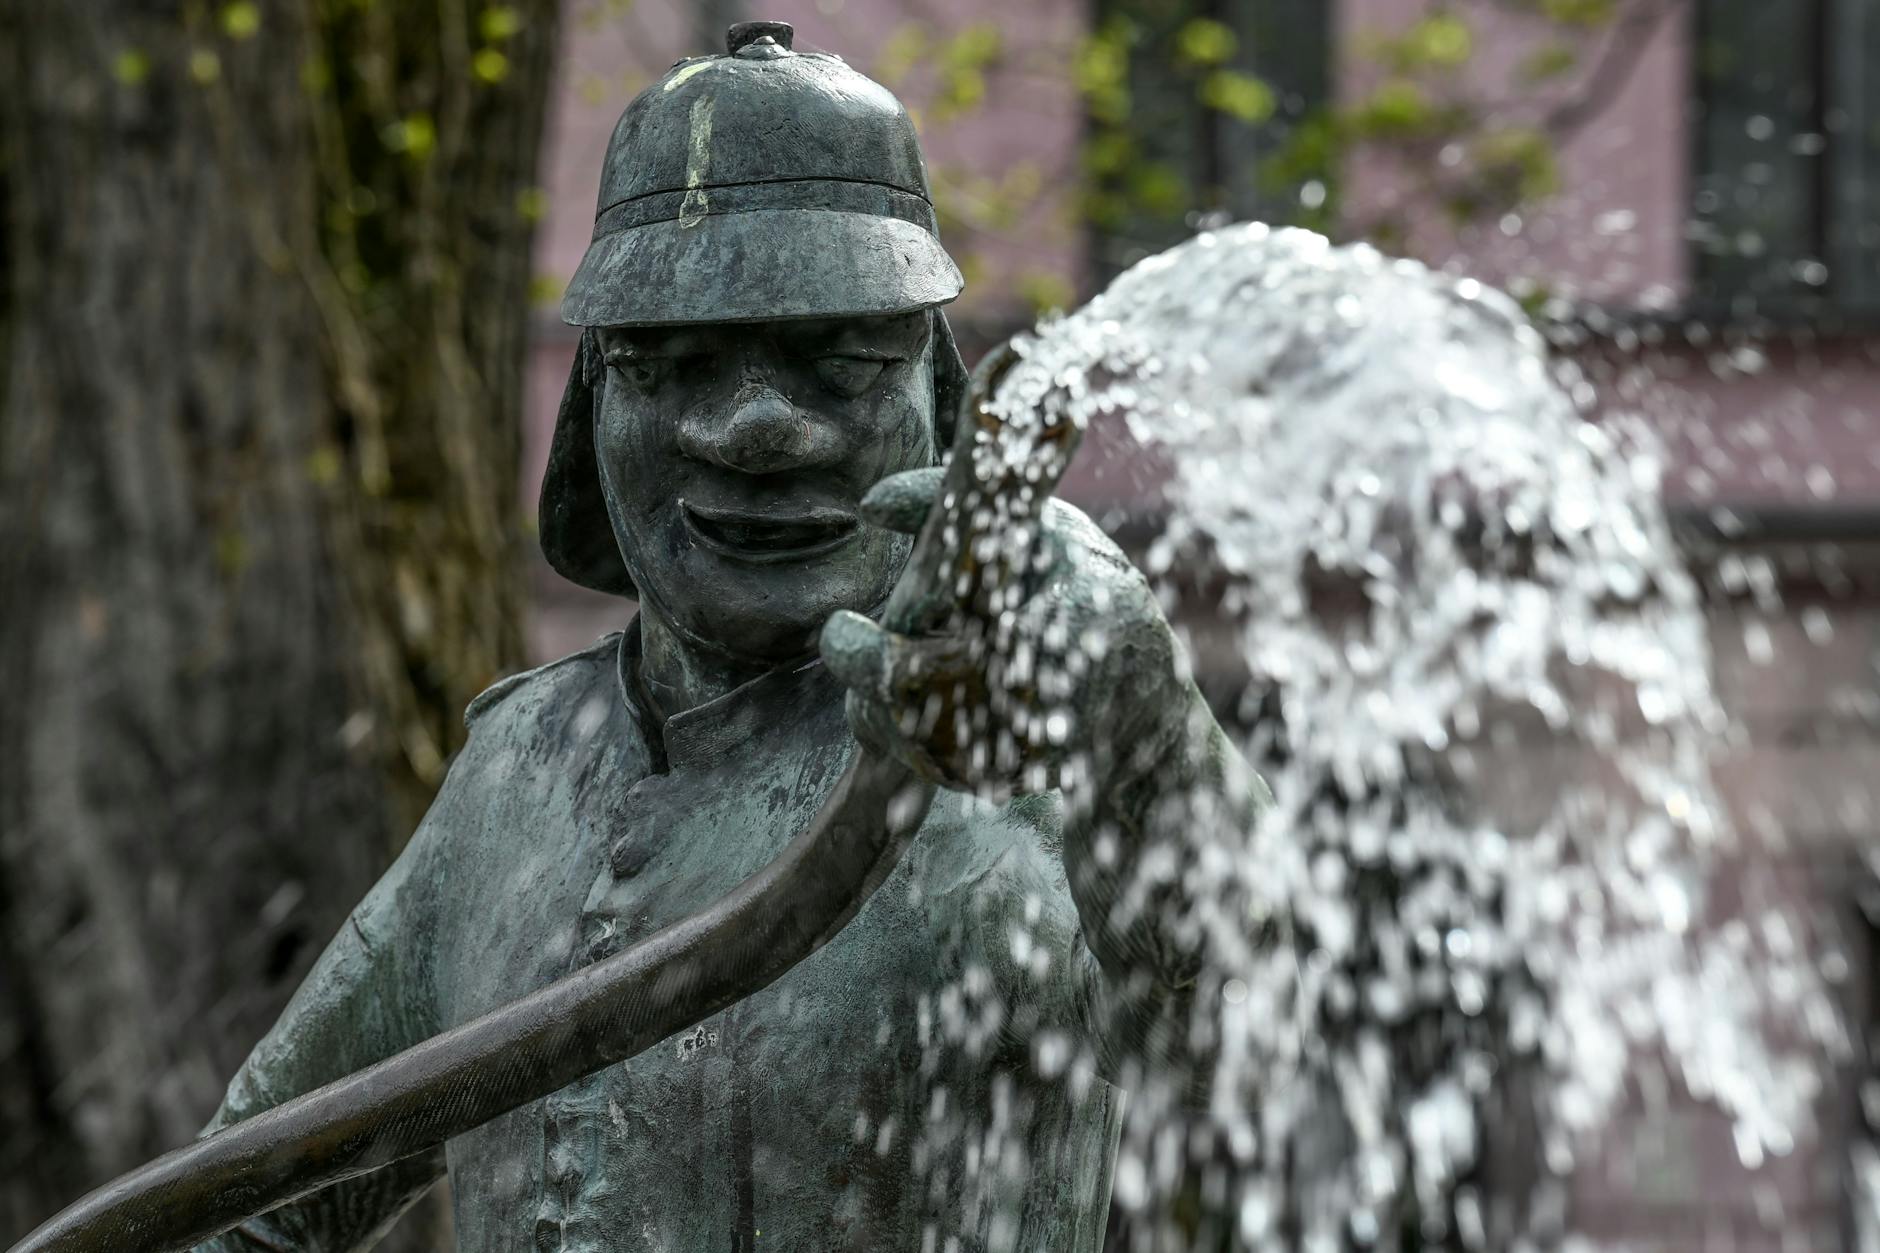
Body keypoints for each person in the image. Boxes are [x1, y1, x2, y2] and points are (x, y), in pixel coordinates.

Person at [198, 21, 1266, 1252]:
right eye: (676, 362)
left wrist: (1143, 738)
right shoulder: (517, 764)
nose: (758, 429)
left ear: (935, 391)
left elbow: (1294, 1058)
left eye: (842, 359)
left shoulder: (1034, 760)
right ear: (593, 395)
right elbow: (247, 1207)